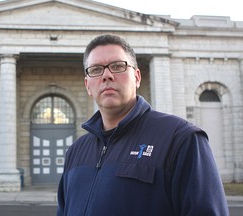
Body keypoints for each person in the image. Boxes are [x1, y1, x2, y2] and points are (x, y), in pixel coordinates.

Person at [57, 34, 229, 216]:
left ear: (137, 77)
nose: (107, 75)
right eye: (96, 69)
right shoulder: (76, 151)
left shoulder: (180, 138)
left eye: (117, 66)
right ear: (88, 86)